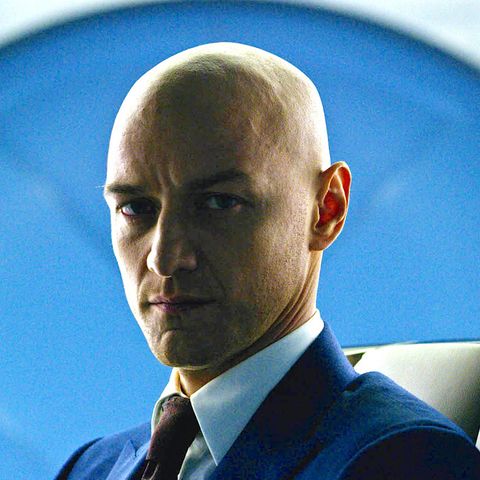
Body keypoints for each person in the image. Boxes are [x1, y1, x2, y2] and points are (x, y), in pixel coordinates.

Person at [55, 42, 480, 479]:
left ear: (326, 209)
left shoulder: (406, 461)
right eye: (135, 208)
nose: (165, 259)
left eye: (219, 203)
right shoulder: (89, 468)